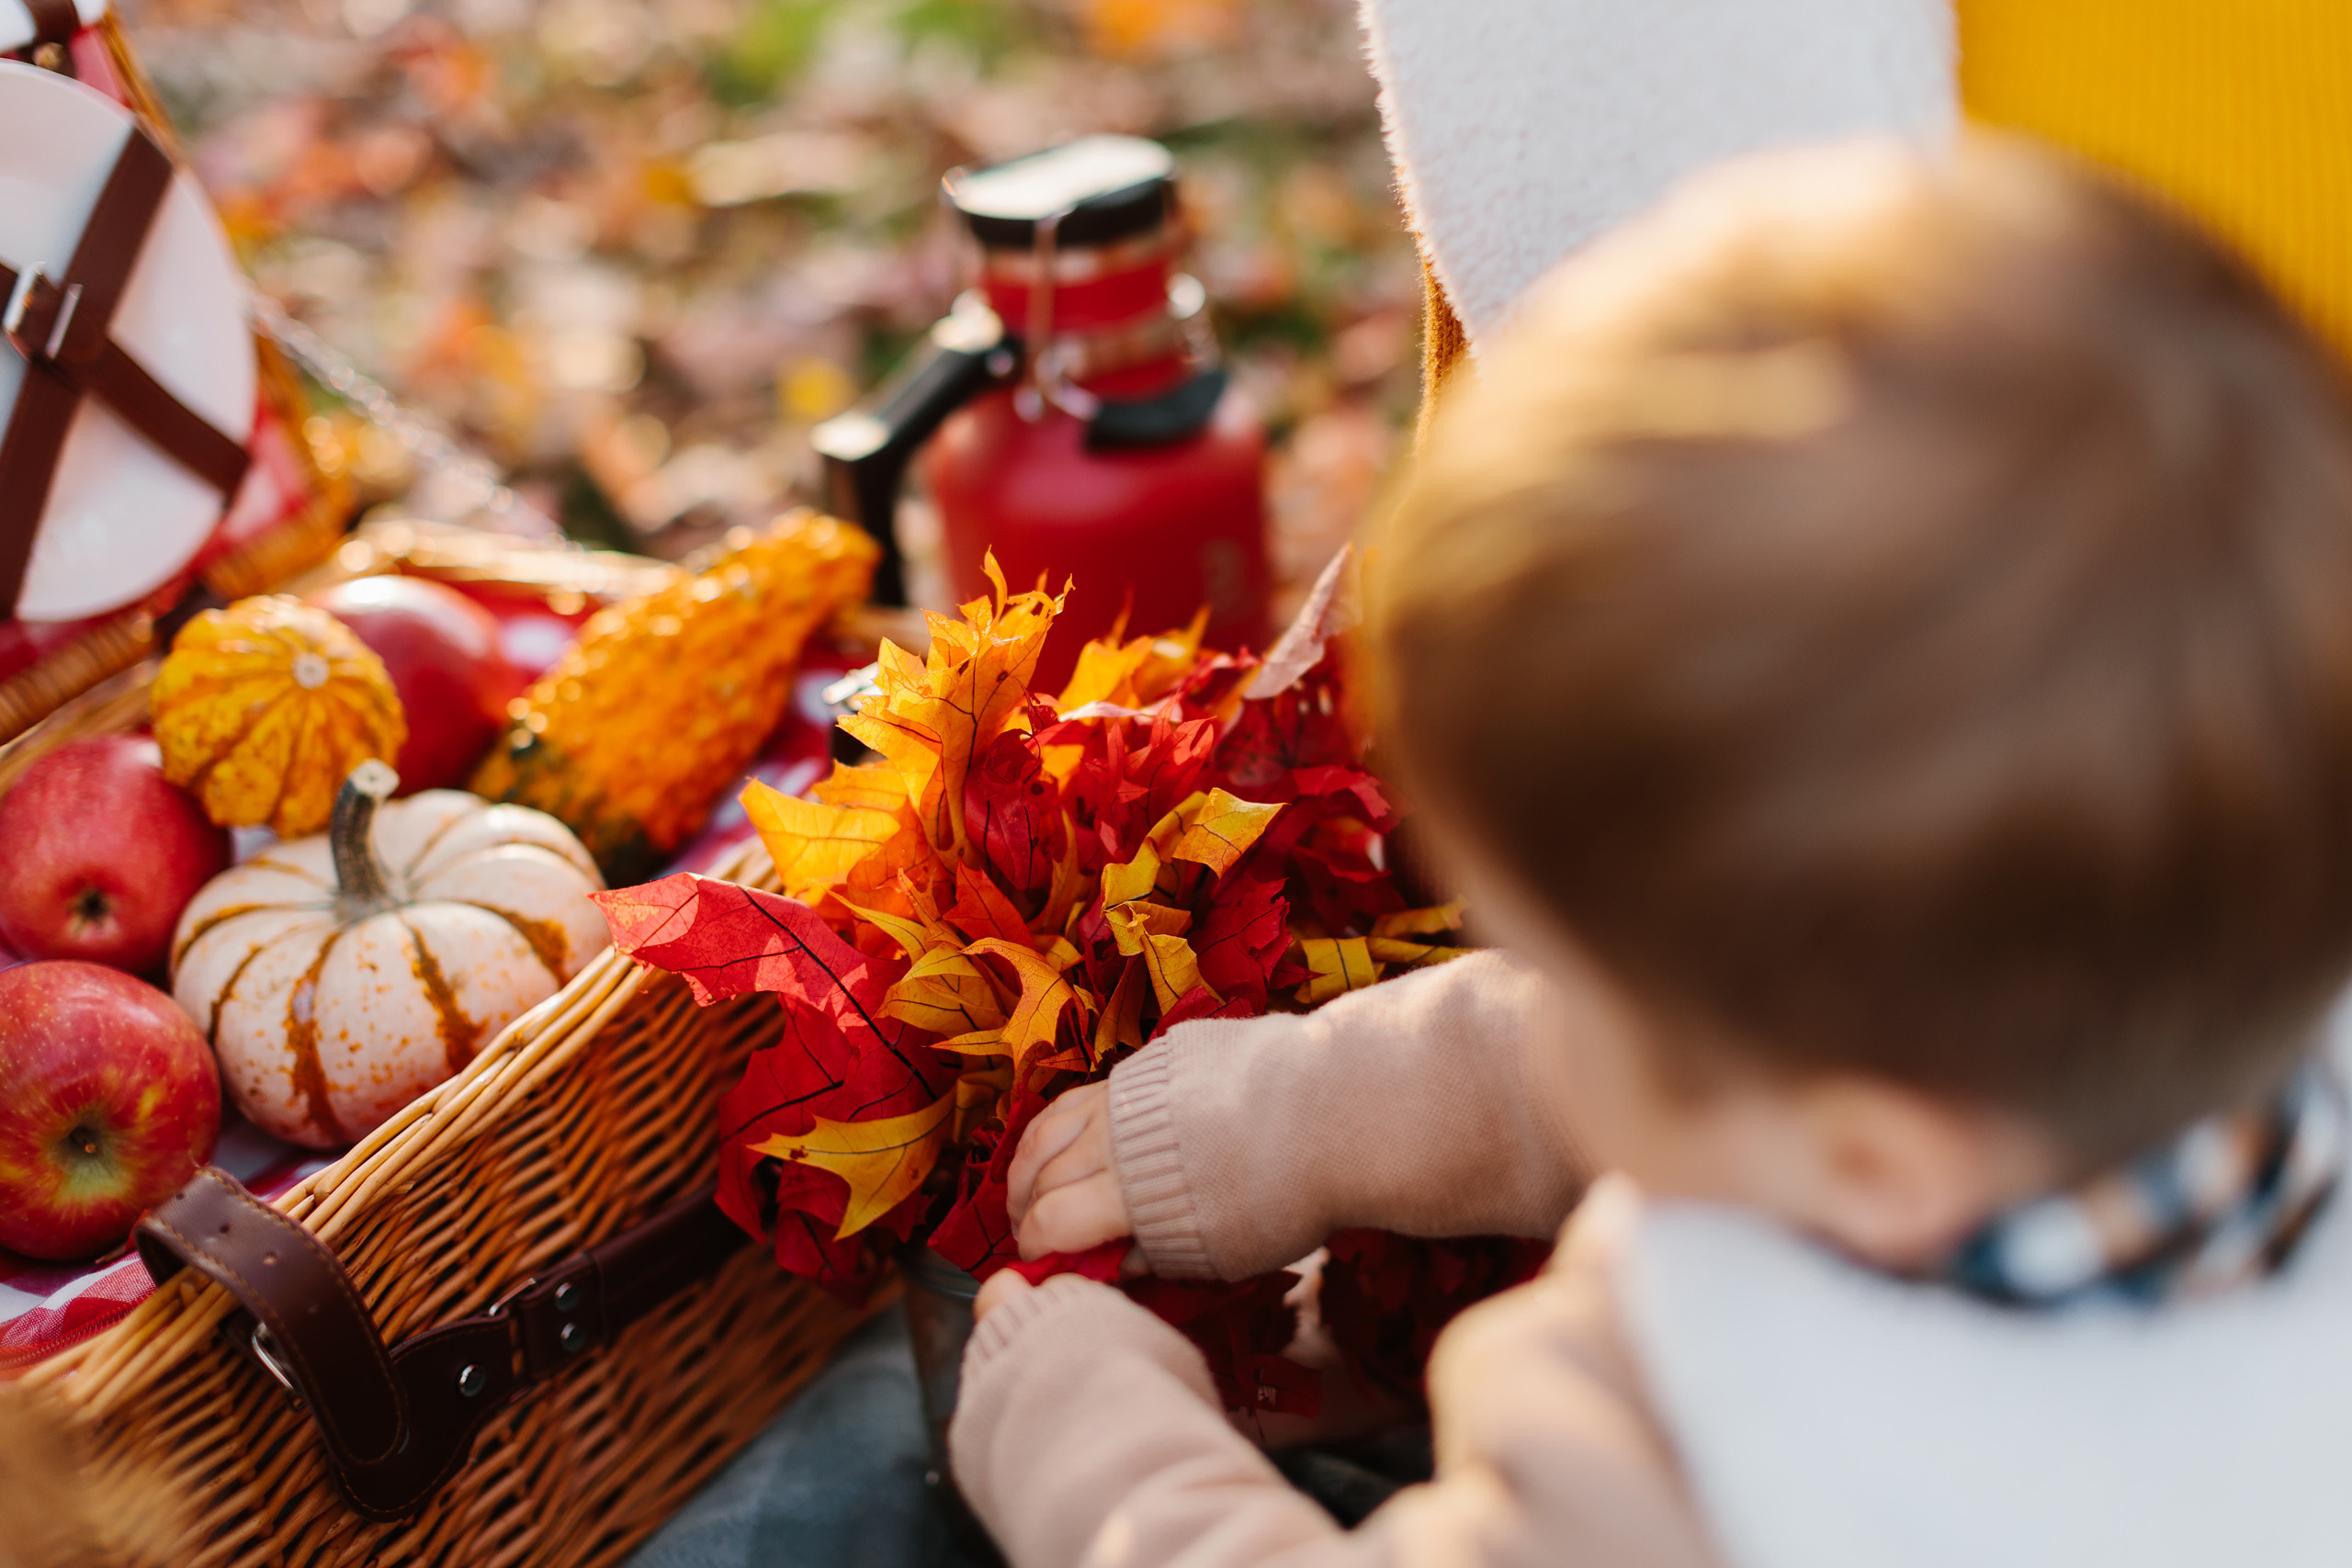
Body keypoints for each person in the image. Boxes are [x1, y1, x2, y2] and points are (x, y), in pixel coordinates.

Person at [952, 136, 2352, 1567]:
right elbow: (1665, 1056)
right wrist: (1281, 1116)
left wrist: (1093, 1443)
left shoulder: (1717, 1466)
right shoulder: (2156, 977)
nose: (1536, 994)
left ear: (1868, 1157)